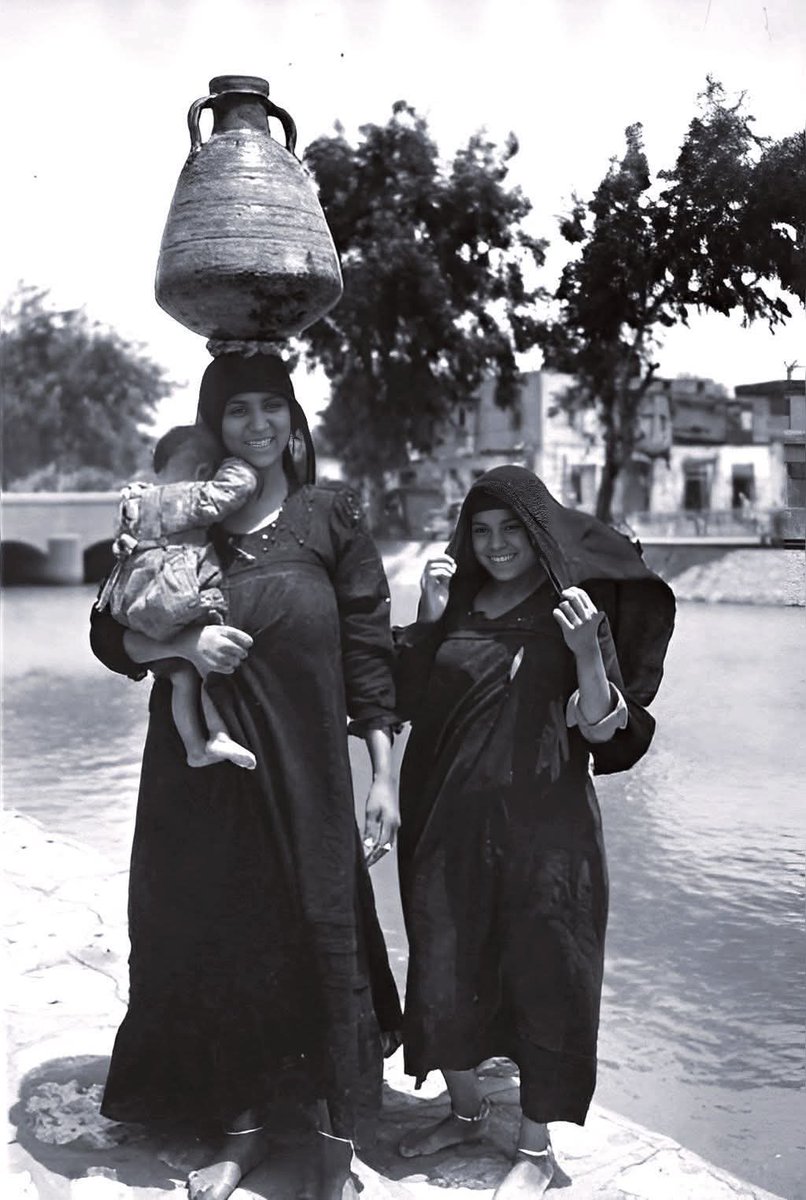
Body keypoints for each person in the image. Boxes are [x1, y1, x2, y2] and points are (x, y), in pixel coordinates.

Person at [89, 351, 402, 1200]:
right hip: (203, 777)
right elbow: (107, 630)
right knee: (221, 935)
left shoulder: (329, 515)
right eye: (237, 411)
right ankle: (243, 1131)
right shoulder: (190, 515)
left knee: (320, 929)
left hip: (309, 772)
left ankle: (333, 1149)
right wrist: (184, 644)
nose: (257, 425)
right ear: (213, 425)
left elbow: (370, 648)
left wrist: (383, 775)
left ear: (294, 421)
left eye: (272, 407)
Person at [393, 465, 675, 1199]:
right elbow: (406, 698)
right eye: (482, 531)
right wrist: (427, 618)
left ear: (539, 531)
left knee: (546, 976)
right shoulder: (456, 602)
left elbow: (606, 731)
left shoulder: (574, 609)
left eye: (512, 530)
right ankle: (465, 1111)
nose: (496, 545)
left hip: (549, 834)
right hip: (449, 822)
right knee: (445, 964)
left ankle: (534, 1149)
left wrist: (585, 651)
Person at [96, 423, 259, 770]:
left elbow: (121, 544)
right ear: (202, 473)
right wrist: (237, 462)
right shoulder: (187, 497)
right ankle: (218, 732)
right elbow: (233, 490)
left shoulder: (135, 501)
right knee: (208, 661)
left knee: (182, 676)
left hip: (137, 608)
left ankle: (195, 749)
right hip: (174, 598)